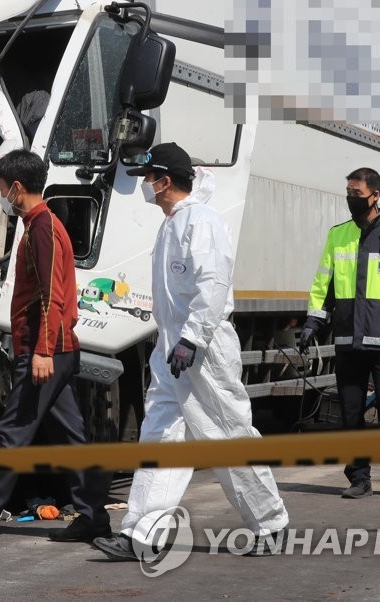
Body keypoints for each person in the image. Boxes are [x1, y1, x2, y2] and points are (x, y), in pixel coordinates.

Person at [93, 143, 289, 561]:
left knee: (227, 435)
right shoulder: (173, 223)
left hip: (203, 348)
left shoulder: (201, 221)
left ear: (165, 181)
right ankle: (141, 534)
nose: (145, 184)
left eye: (149, 177)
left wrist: (192, 339)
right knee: (162, 436)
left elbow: (213, 284)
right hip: (175, 349)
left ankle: (271, 523)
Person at [0, 149, 111, 544]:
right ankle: (94, 518)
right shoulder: (45, 224)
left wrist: (42, 350)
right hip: (60, 347)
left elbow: (50, 296)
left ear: (17, 188)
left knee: (12, 434)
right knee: (72, 438)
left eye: (1, 189)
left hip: (45, 349)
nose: (2, 196)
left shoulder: (42, 228)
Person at [297, 167, 380, 498]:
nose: (351, 200)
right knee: (350, 411)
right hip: (347, 339)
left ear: (375, 196)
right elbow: (323, 283)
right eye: (348, 194)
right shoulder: (338, 235)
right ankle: (359, 476)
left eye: (356, 195)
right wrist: (313, 322)